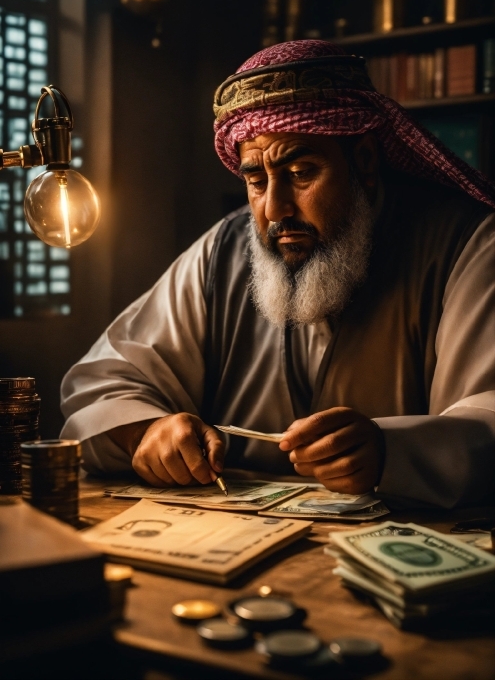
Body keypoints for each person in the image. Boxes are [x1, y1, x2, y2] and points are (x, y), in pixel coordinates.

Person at [61, 40, 495, 509]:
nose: (274, 208)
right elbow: (103, 382)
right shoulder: (223, 251)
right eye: (256, 180)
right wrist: (147, 431)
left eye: (301, 171)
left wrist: (392, 452)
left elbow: (486, 416)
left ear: (365, 161)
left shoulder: (464, 244)